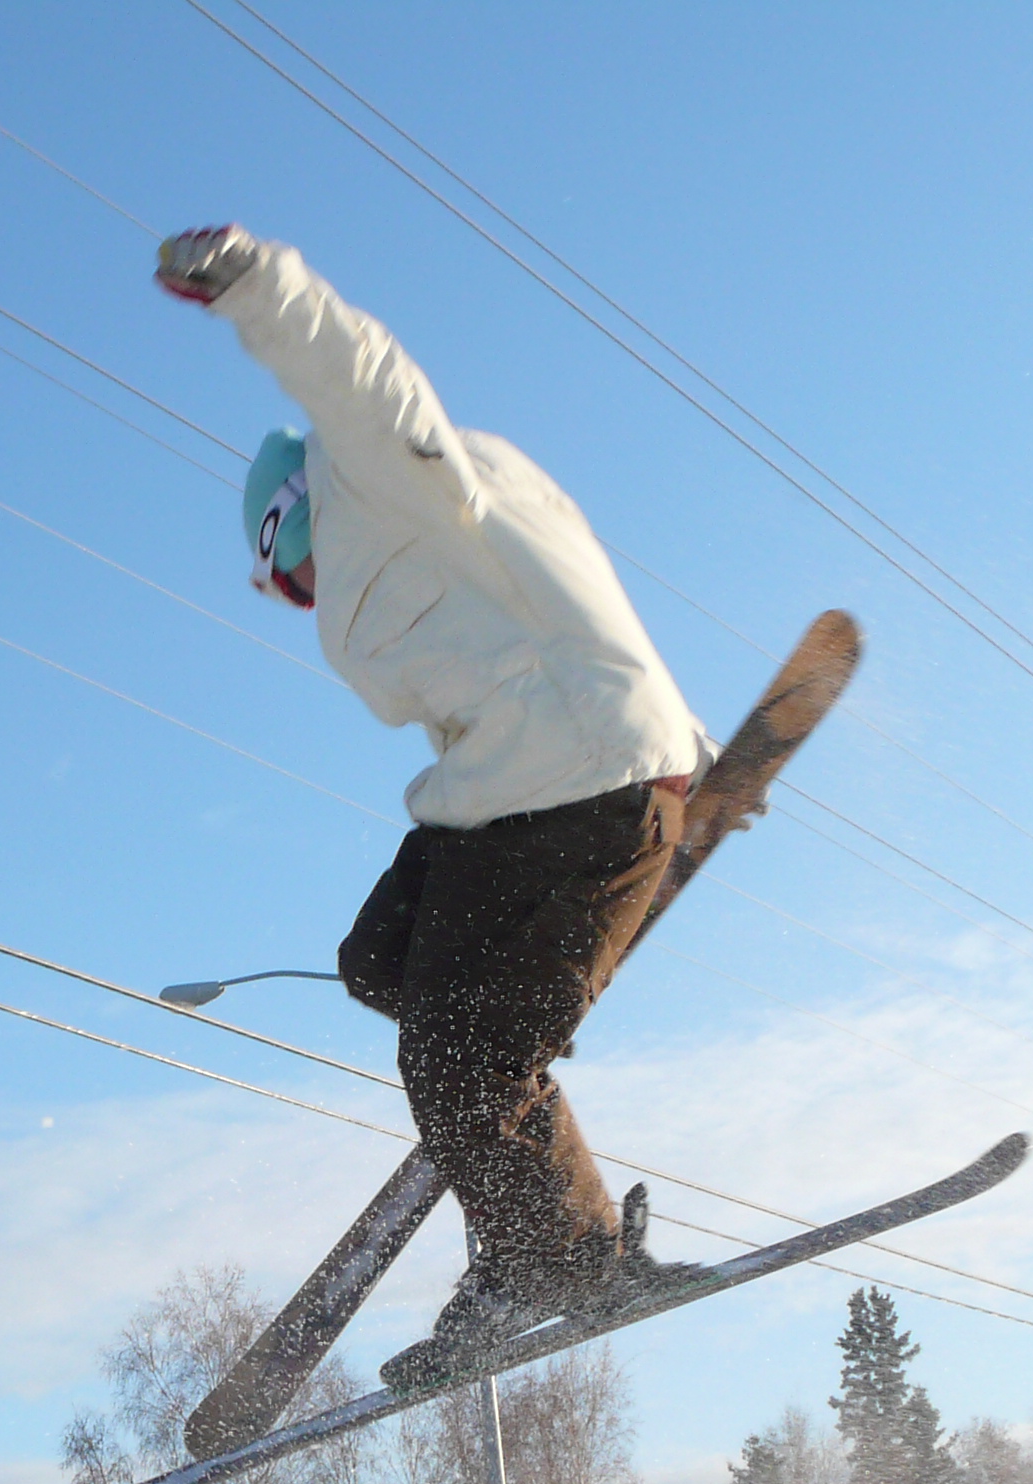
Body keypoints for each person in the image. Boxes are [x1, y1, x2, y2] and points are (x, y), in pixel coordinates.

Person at [155, 225, 725, 1388]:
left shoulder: (380, 470)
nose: (307, 603)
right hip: (521, 790)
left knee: (462, 1055)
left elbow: (357, 369)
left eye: (295, 579)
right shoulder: (462, 515)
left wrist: (258, 286)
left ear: (293, 521)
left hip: (577, 790)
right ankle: (510, 1191)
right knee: (378, 963)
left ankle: (565, 1260)